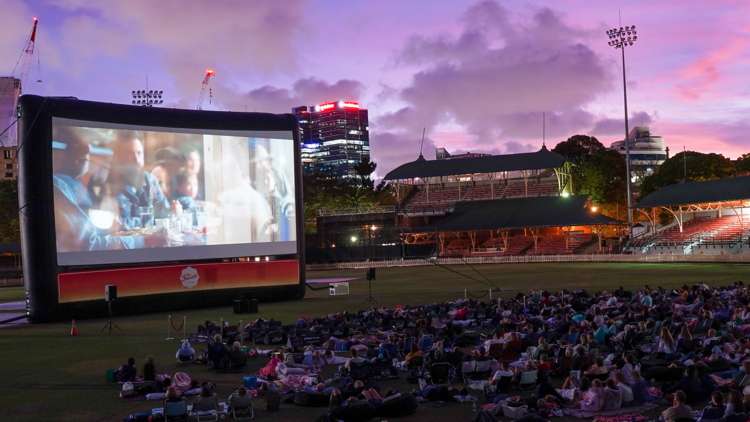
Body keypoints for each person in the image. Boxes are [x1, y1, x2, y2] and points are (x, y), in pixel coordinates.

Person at [104, 137, 181, 230]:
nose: (136, 159)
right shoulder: (107, 184)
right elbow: (111, 224)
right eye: (130, 154)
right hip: (123, 243)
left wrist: (174, 211)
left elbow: (164, 215)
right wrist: (145, 221)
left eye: (139, 153)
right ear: (119, 157)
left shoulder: (151, 181)